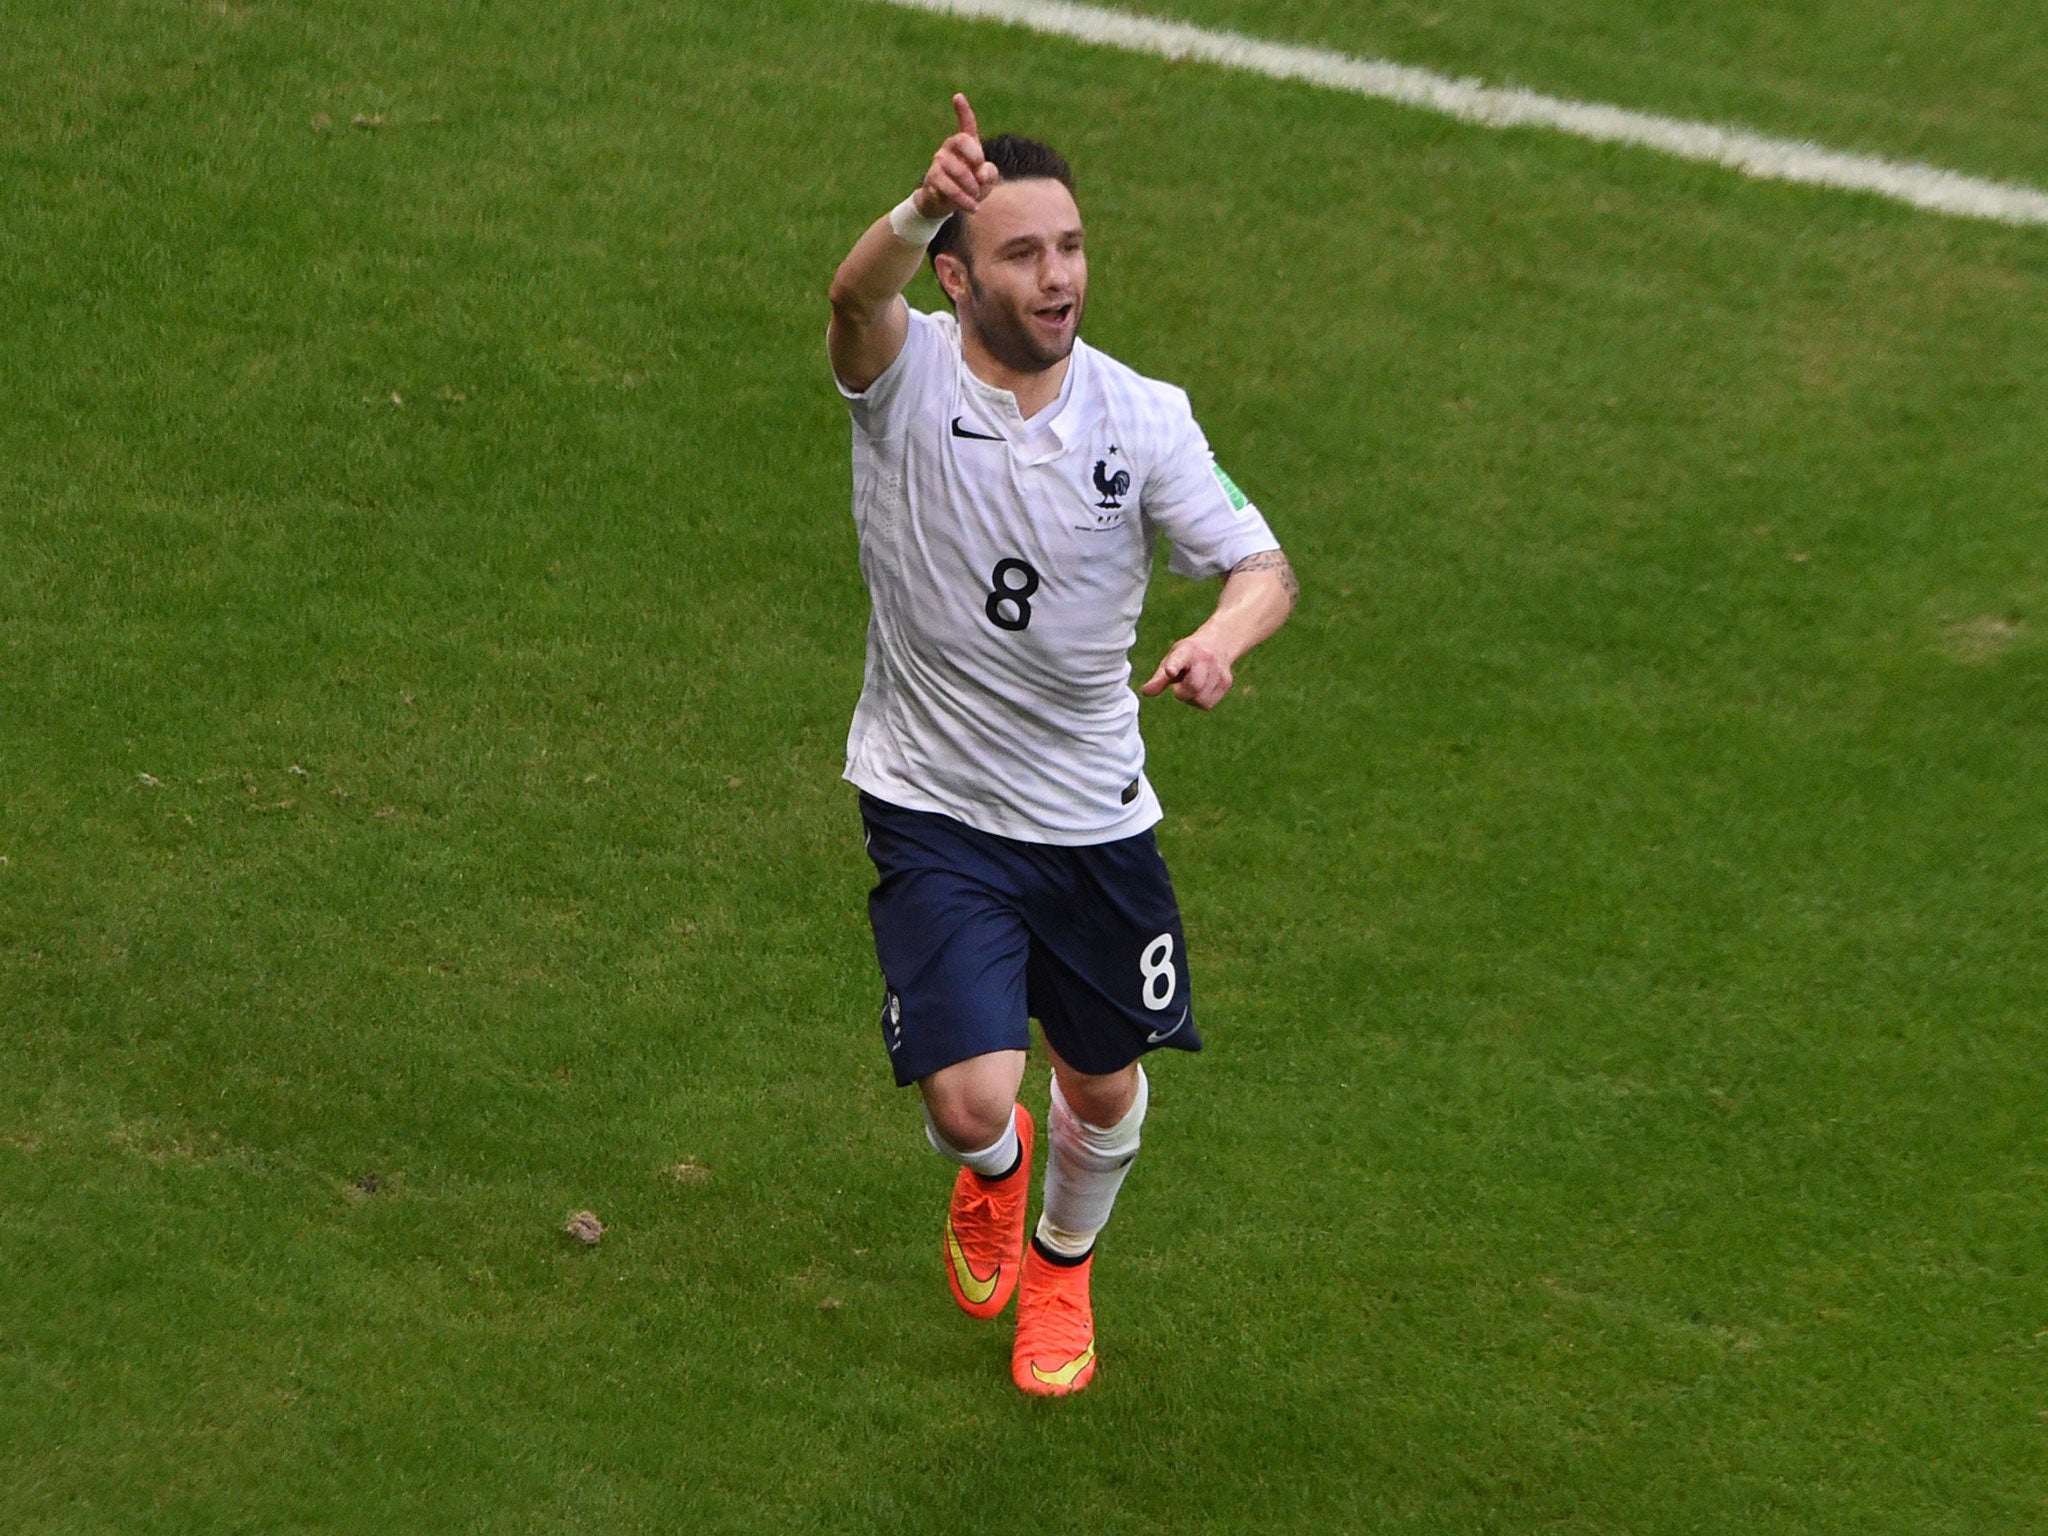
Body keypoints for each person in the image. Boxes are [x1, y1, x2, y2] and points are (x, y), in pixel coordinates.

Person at [826, 94, 1297, 1396]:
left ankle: (1066, 1266)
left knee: (1102, 1088)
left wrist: (1224, 641)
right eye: (1026, 253)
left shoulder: (1142, 418)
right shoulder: (903, 377)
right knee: (973, 1101)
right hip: (931, 802)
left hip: (1092, 820)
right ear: (959, 274)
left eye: (1074, 249)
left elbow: (1262, 565)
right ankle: (990, 1177)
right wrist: (920, 198)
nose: (1060, 277)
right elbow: (849, 297)